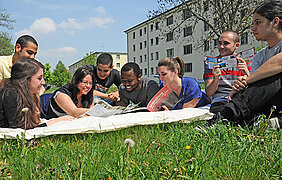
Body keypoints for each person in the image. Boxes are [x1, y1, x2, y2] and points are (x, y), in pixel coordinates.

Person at [198, 0, 282, 129]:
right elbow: (255, 86)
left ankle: (226, 116)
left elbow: (278, 63)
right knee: (246, 88)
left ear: (275, 22)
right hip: (271, 102)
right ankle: (256, 122)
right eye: (253, 23)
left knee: (275, 75)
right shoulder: (259, 56)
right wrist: (241, 85)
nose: (253, 28)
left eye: (258, 22)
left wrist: (247, 78)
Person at [0, 58, 74, 129]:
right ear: (25, 79)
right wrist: (55, 121)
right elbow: (21, 129)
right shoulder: (11, 93)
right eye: (39, 78)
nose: (43, 82)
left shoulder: (23, 93)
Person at [203, 30, 250, 113]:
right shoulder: (211, 63)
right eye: (219, 43)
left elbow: (251, 88)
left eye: (226, 43)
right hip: (220, 100)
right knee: (220, 110)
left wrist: (246, 73)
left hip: (240, 98)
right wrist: (216, 79)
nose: (221, 46)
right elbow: (209, 93)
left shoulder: (244, 62)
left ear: (236, 45)